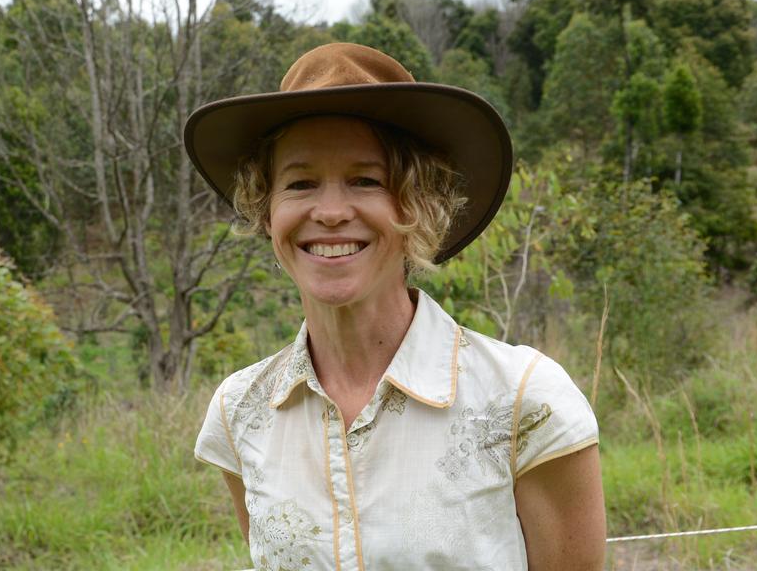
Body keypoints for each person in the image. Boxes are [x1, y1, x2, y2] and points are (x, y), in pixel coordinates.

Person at [187, 43, 605, 569]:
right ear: (266, 211)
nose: (332, 212)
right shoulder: (241, 412)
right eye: (300, 183)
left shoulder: (524, 402)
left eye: (366, 180)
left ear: (417, 206)